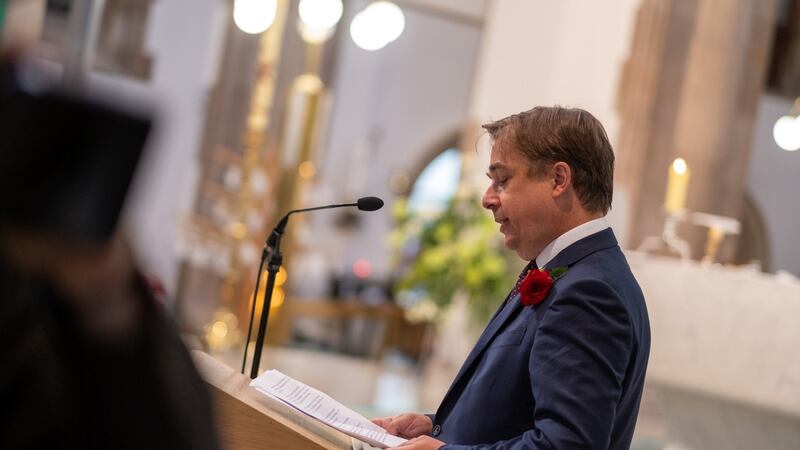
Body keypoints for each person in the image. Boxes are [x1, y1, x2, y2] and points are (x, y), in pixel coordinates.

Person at [374, 106, 651, 449]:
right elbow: (519, 410)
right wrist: (436, 427)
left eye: (502, 180)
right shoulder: (572, 271)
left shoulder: (590, 292)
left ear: (558, 180)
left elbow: (567, 445)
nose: (487, 198)